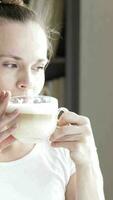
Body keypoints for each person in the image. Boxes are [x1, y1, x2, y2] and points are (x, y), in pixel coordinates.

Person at [0, 0, 105, 200]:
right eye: (11, 65)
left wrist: (87, 161)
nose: (28, 82)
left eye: (38, 67)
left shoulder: (60, 148)